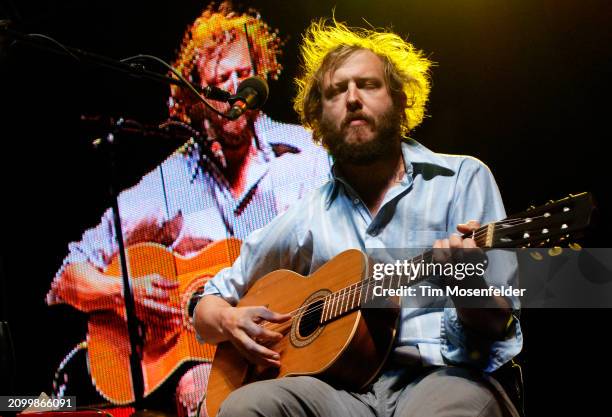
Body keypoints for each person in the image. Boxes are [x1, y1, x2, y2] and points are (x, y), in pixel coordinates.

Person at [194, 19, 523, 417]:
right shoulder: (305, 216)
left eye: (368, 85)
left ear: (401, 99)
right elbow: (206, 306)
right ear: (317, 118)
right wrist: (229, 320)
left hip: (446, 376)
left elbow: (496, 327)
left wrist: (468, 280)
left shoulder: (462, 180)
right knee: (245, 406)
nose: (352, 98)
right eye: (336, 91)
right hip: (343, 394)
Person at [45, 2, 331, 416]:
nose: (234, 90)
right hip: (209, 364)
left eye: (243, 76)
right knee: (202, 394)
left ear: (261, 77)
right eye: (219, 82)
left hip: (294, 339)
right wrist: (127, 292)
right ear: (194, 95)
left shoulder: (308, 154)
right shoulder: (170, 181)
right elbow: (67, 276)